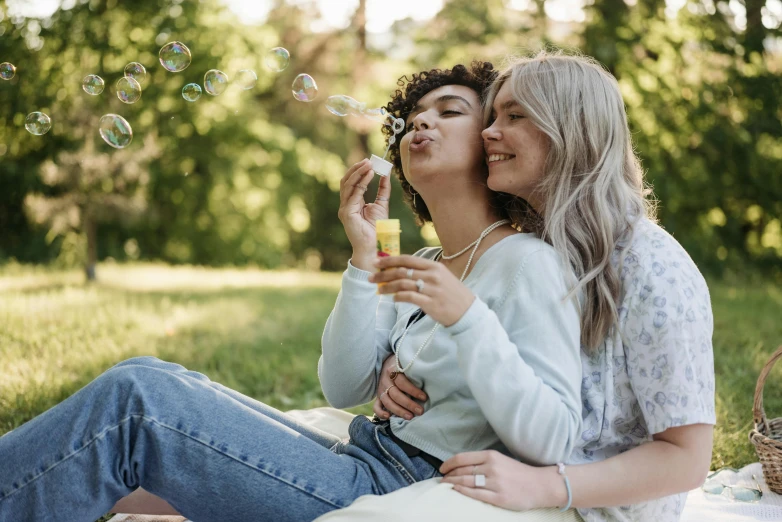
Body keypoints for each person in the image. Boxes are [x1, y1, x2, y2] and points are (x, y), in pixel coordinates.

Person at [0, 62, 584, 522]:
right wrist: (364, 257)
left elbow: (552, 436)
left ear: (492, 143)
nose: (419, 122)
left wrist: (467, 319)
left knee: (139, 397)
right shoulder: (427, 262)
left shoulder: (526, 264)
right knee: (150, 371)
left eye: (449, 111)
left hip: (397, 486)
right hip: (359, 452)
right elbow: (345, 383)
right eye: (413, 115)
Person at [372, 51, 716, 522]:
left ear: (573, 129)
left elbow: (687, 458)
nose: (488, 132)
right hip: (507, 474)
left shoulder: (652, 266)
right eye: (492, 116)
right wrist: (403, 358)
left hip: (590, 509)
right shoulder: (538, 243)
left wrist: (545, 486)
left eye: (514, 116)